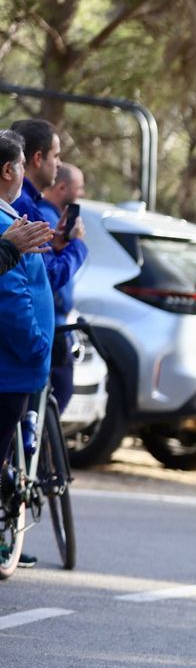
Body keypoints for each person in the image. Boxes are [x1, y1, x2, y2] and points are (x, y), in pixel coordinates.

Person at [0, 131, 54, 568]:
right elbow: (11, 301)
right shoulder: (7, 226)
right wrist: (37, 348)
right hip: (10, 368)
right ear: (9, 170)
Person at [8, 120, 87, 414]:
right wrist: (76, 246)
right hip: (22, 352)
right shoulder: (25, 207)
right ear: (37, 158)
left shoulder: (29, 204)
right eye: (56, 155)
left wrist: (55, 248)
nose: (59, 164)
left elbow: (32, 264)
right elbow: (46, 277)